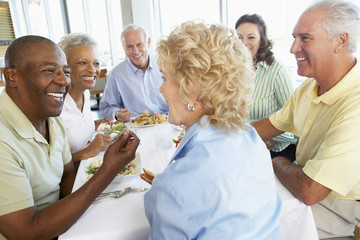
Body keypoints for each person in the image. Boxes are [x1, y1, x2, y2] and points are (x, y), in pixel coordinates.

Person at [144, 21, 282, 239]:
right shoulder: (251, 139)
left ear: (193, 90)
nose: (161, 88)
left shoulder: (173, 189)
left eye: (165, 78)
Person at [0, 35, 139, 240]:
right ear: (11, 77)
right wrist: (108, 170)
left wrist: (109, 166)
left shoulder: (51, 119)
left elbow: (66, 180)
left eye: (65, 72)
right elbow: (25, 233)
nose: (64, 80)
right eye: (49, 70)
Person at [252, 0, 360, 238]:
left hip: (342, 210)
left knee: (250, 226)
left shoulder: (356, 104)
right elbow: (266, 127)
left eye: (305, 38)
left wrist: (278, 162)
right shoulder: (309, 87)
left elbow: (310, 190)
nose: (293, 48)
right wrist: (215, 135)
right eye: (294, 37)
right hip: (301, 187)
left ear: (340, 41)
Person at [235, 14, 297, 161]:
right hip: (242, 145)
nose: (244, 43)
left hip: (274, 151)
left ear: (262, 39)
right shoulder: (236, 69)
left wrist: (271, 139)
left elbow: (295, 120)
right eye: (239, 38)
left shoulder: (277, 71)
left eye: (251, 37)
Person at [58, 33, 112, 163]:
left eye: (96, 63)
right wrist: (86, 152)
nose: (92, 70)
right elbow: (52, 167)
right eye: (82, 62)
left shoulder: (85, 93)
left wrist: (93, 125)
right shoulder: (55, 107)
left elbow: (74, 127)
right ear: (64, 67)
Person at [99, 24, 168, 122]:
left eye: (139, 44)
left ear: (148, 42)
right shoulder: (116, 74)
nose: (135, 51)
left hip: (168, 123)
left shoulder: (165, 64)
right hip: (136, 129)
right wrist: (116, 114)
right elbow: (105, 109)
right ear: (124, 48)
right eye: (129, 47)